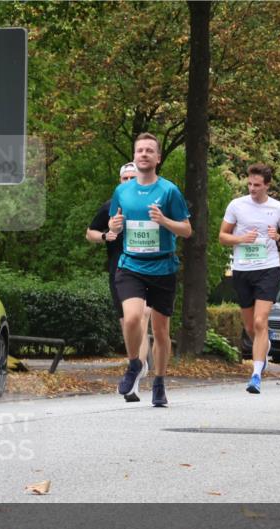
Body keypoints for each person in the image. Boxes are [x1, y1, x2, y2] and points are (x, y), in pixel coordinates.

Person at [111, 134, 192, 407]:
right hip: (131, 264)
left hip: (163, 267)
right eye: (140, 150)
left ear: (157, 158)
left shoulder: (169, 191)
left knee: (160, 331)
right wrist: (114, 227)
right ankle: (134, 363)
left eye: (149, 151)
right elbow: (113, 225)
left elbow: (187, 230)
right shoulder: (122, 191)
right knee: (132, 319)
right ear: (134, 157)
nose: (144, 154)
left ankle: (159, 381)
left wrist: (163, 220)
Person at [218, 163, 280, 394]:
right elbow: (222, 236)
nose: (252, 189)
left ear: (267, 186)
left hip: (268, 269)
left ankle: (255, 375)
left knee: (261, 322)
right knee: (251, 326)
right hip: (242, 269)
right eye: (250, 184)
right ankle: (265, 346)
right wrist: (241, 239)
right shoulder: (237, 205)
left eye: (257, 185)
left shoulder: (278, 208)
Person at [86, 162, 152, 401]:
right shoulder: (110, 208)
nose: (128, 182)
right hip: (120, 272)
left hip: (148, 269)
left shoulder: (152, 204)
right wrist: (105, 235)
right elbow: (90, 232)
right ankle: (136, 363)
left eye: (132, 178)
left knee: (143, 314)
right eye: (124, 179)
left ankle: (134, 377)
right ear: (120, 181)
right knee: (128, 324)